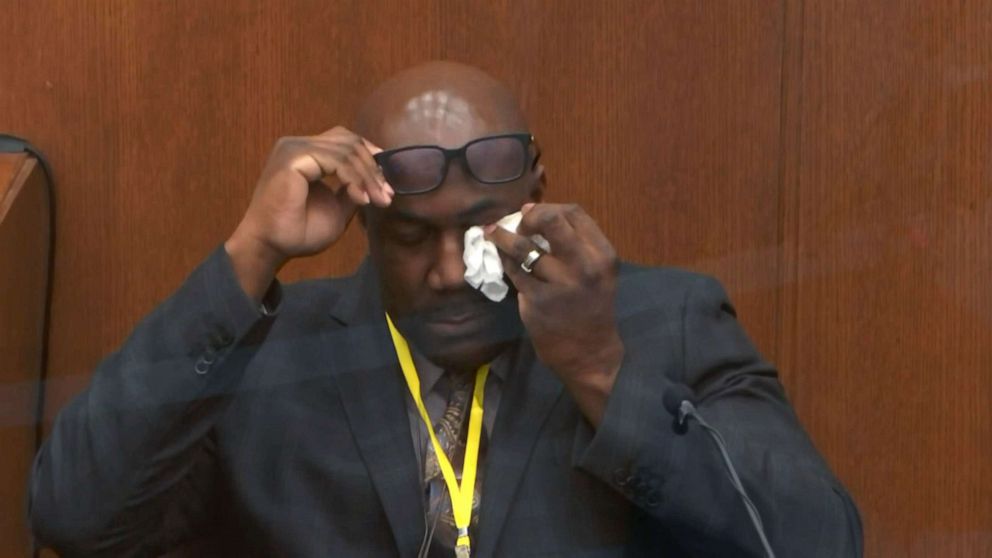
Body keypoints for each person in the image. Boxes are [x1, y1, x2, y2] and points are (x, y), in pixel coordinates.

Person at [29, 61, 862, 557]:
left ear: (535, 196)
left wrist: (602, 370)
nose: (447, 273)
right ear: (361, 219)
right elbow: (77, 518)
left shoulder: (662, 320)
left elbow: (815, 542)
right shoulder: (273, 351)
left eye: (477, 233)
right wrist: (252, 254)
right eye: (407, 237)